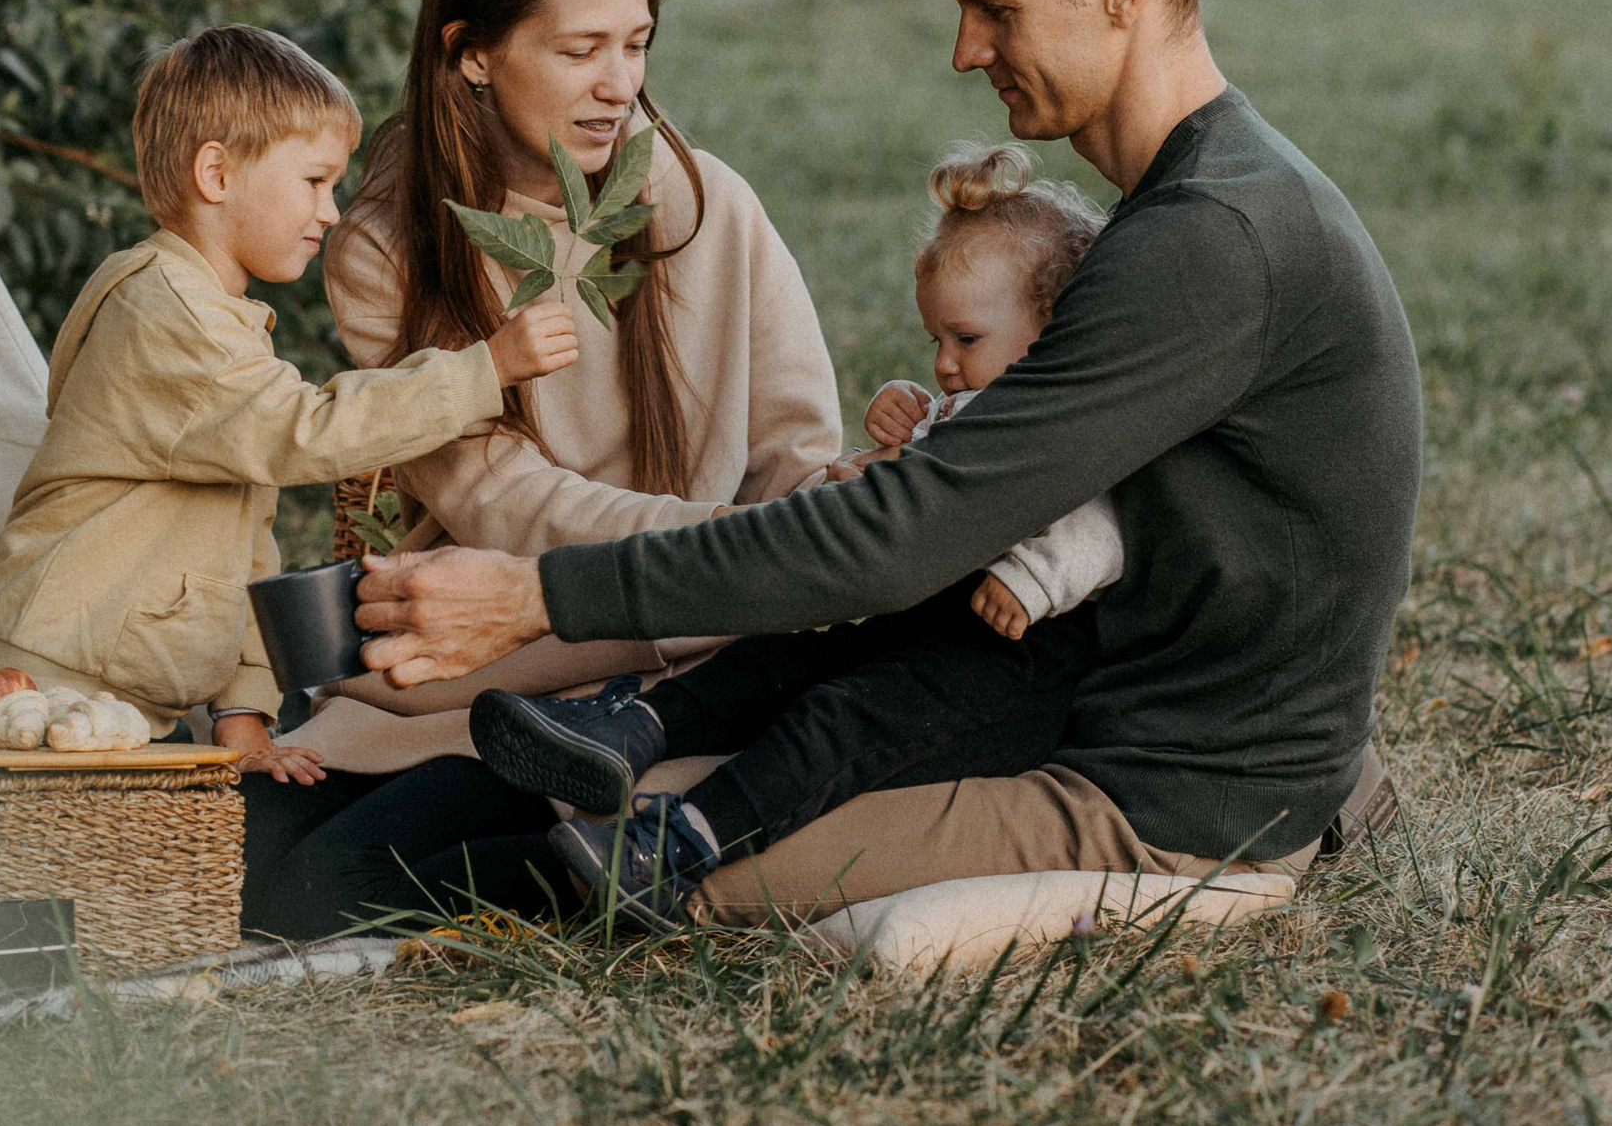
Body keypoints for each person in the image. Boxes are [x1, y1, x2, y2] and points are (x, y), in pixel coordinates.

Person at [355, 0, 1423, 923]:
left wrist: (538, 596)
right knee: (619, 796)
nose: (964, 51)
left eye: (995, 10)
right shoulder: (1199, 201)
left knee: (605, 868)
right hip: (1090, 697)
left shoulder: (1208, 242)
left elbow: (898, 542)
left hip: (1169, 791)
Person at [242, 0, 845, 938]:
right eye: (580, 52)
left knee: (325, 898)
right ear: (472, 52)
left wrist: (760, 562)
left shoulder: (710, 208)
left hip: (667, 683)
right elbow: (500, 499)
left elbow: (797, 459)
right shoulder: (391, 247)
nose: (618, 86)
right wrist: (736, 553)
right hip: (476, 667)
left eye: (637, 45)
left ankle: (590, 865)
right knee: (245, 874)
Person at [471, 142, 1125, 926]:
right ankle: (630, 730)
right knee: (782, 656)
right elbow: (933, 480)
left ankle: (681, 844)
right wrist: (897, 436)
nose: (947, 364)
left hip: (1013, 665)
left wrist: (1038, 578)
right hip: (928, 616)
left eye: (965, 340)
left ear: (1050, 329)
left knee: (840, 719)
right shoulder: (977, 398)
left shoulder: (1071, 416)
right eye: (935, 344)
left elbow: (1107, 516)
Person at [0, 25, 579, 781]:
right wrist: (485, 370)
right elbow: (305, 432)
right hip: (49, 674)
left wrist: (243, 712)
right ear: (216, 173)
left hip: (107, 677)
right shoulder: (168, 315)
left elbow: (243, 540)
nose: (334, 211)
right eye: (315, 181)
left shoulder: (218, 323)